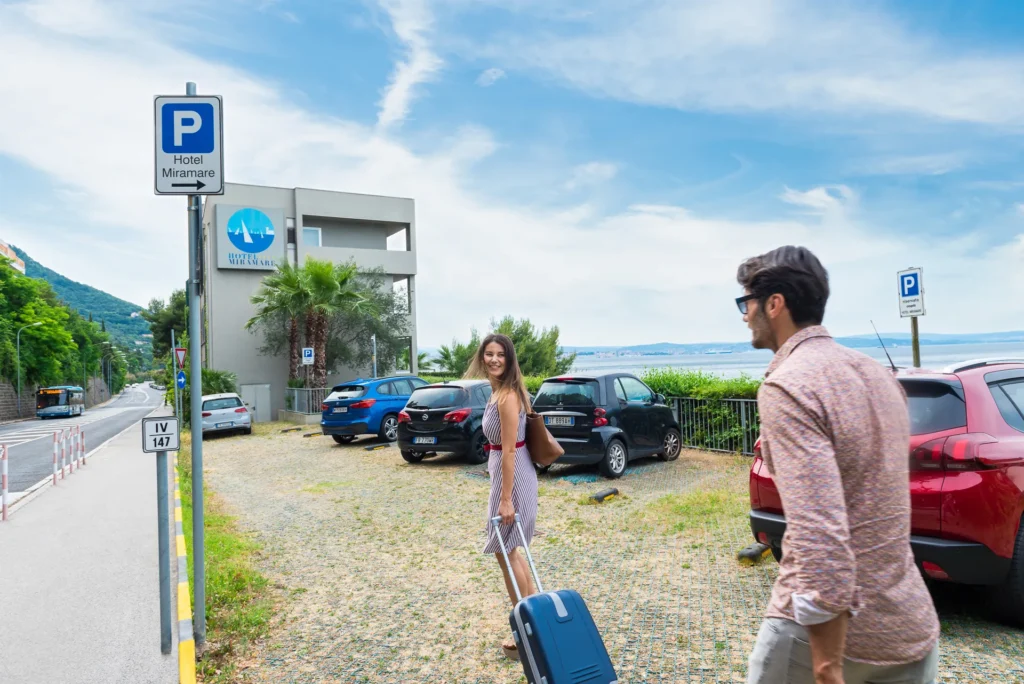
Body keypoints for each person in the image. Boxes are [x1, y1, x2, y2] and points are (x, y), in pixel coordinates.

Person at [736, 246, 939, 684]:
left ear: (775, 304)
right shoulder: (877, 374)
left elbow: (819, 532)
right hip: (910, 624)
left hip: (822, 640)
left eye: (746, 303)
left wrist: (827, 665)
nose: (744, 315)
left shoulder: (788, 385)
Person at [467, 333, 539, 661]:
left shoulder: (508, 396)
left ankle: (526, 627)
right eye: (489, 354)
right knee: (508, 549)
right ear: (482, 358)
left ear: (509, 360)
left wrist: (506, 497)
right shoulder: (498, 392)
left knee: (505, 550)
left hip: (514, 477)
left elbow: (509, 449)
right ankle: (532, 619)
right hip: (506, 474)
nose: (494, 359)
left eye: (500, 355)